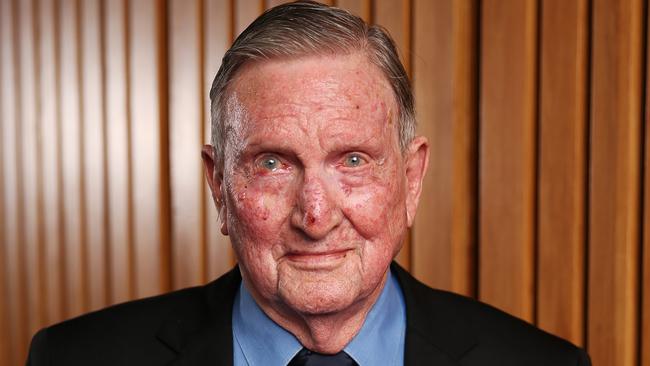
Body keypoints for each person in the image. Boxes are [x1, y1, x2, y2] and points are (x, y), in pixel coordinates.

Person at [27, 1, 591, 365]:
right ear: (219, 186)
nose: (316, 215)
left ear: (411, 178)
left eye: (352, 160)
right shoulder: (73, 358)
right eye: (273, 163)